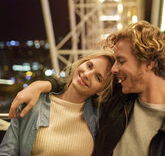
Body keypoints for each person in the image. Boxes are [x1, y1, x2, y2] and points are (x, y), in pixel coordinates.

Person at [7, 21, 165, 156]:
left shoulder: (112, 100)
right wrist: (42, 85)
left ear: (149, 63)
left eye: (121, 61)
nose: (115, 70)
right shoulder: (120, 100)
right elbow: (76, 86)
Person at [0, 50, 114, 156]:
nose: (87, 74)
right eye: (89, 66)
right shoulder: (33, 103)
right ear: (81, 63)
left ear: (101, 90)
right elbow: (8, 152)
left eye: (98, 78)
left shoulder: (99, 119)